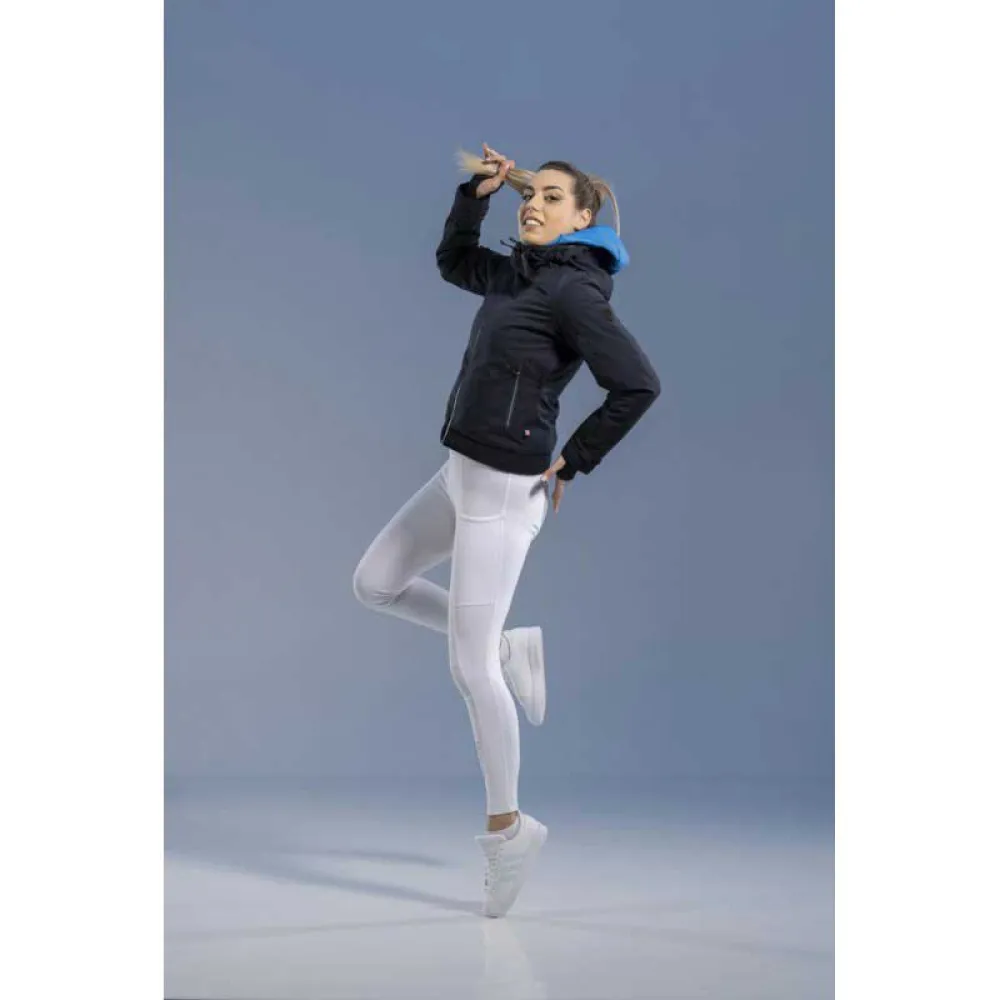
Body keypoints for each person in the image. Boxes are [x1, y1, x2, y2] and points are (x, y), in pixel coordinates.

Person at [352, 143, 661, 917]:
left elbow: (637, 383)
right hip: (460, 472)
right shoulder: (522, 273)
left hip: (503, 488)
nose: (535, 205)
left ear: (582, 218)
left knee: (468, 671)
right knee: (376, 583)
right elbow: (455, 261)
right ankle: (507, 646)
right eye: (533, 195)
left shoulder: (574, 292)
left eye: (553, 198)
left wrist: (573, 461)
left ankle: (509, 828)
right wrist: (477, 195)